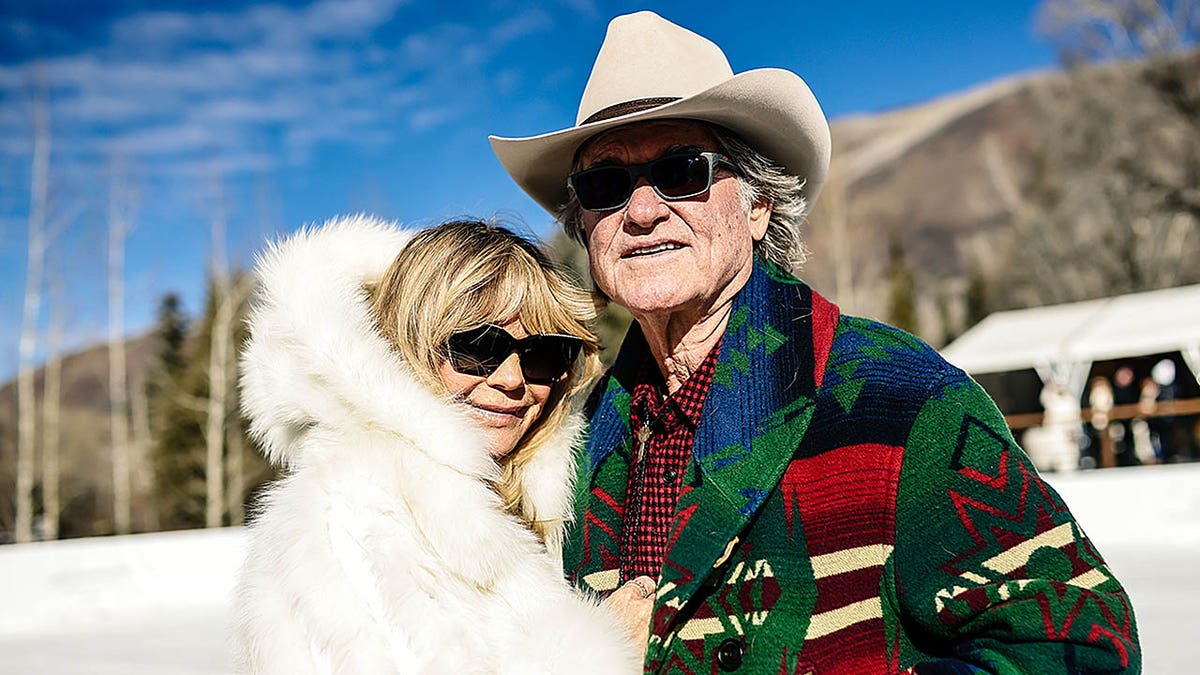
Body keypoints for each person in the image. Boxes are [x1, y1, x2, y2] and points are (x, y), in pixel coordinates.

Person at [490, 11, 1140, 673]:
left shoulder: (901, 397)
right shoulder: (565, 442)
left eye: (682, 170)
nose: (642, 209)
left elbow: (1078, 642)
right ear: (584, 223)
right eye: (605, 185)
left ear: (757, 205)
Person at [234, 215, 653, 673]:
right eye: (477, 347)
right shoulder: (352, 515)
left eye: (543, 354)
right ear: (404, 348)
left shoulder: (519, 503)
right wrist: (606, 649)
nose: (513, 380)